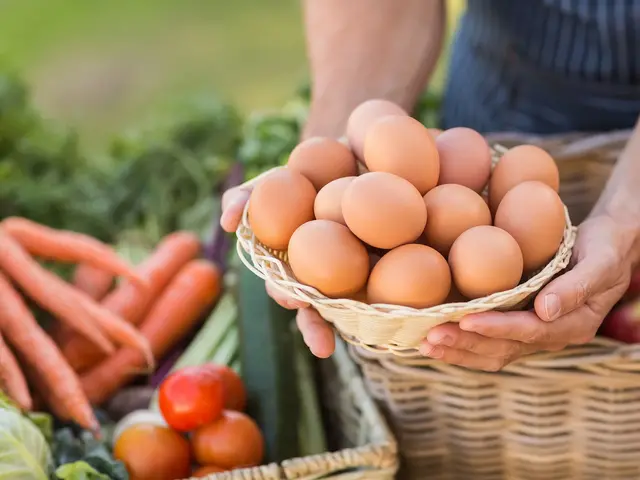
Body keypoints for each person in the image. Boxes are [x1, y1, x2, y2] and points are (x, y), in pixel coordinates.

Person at [220, 0, 640, 371]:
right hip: (508, 86)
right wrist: (333, 159)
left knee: (487, 206)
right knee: (464, 176)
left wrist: (628, 210)